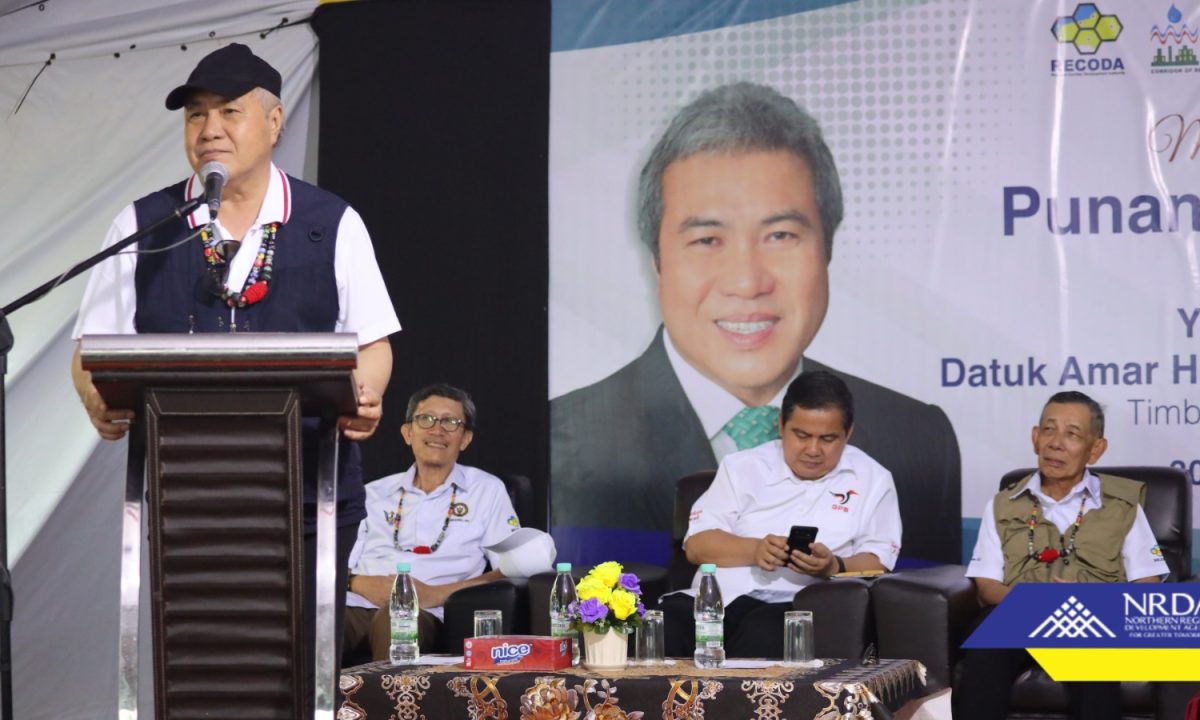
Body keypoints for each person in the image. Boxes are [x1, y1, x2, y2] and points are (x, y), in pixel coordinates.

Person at [69, 42, 400, 698]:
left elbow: (374, 340)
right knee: (200, 666)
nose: (209, 129)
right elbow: (91, 349)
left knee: (303, 667)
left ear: (274, 123)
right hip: (188, 491)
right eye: (195, 115)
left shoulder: (330, 223)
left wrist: (368, 392)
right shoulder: (144, 225)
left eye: (228, 111)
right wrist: (94, 397)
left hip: (312, 492)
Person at [550, 81, 959, 566]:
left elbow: (921, 603)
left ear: (827, 250)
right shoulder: (568, 435)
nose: (747, 282)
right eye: (707, 240)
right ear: (657, 261)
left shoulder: (915, 436)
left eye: (781, 234)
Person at [658, 370, 901, 658]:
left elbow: (878, 561)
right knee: (666, 622)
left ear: (848, 433)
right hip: (718, 599)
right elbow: (698, 547)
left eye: (828, 438)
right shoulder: (741, 467)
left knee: (763, 630)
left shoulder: (872, 479)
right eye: (801, 435)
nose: (813, 449)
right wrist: (756, 549)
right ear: (781, 424)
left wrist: (833, 566)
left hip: (798, 604)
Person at [956, 391, 1166, 720]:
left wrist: (1092, 603)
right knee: (985, 643)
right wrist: (1039, 601)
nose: (1056, 443)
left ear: (1096, 449)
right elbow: (987, 586)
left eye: (1072, 434)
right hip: (1020, 614)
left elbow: (1148, 587)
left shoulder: (1123, 507)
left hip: (1092, 620)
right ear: (1035, 438)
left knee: (1096, 656)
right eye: (1049, 430)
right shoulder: (1002, 504)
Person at [344, 384, 552, 658]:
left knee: (397, 623)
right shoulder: (373, 492)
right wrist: (357, 583)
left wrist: (435, 593)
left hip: (427, 613)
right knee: (311, 624)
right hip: (356, 604)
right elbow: (334, 563)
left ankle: (388, 703)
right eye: (426, 419)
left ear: (465, 439)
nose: (437, 430)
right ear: (408, 433)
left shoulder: (486, 490)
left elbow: (513, 568)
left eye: (451, 422)